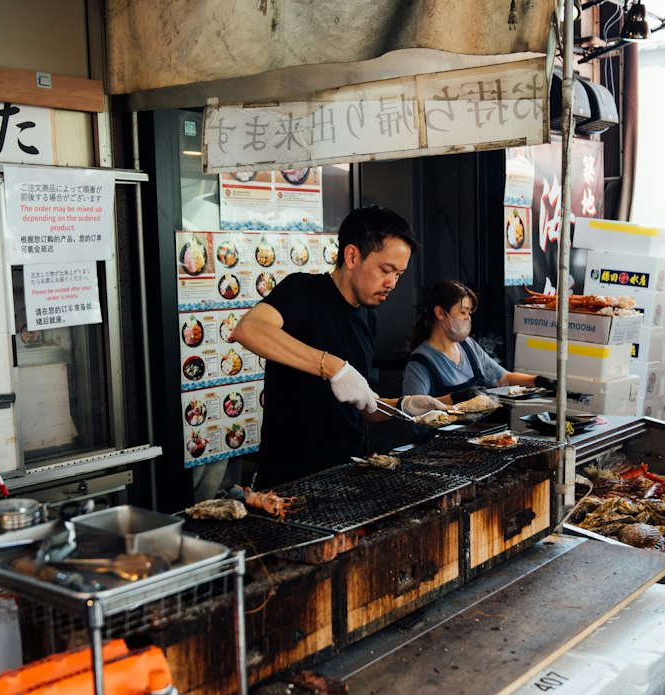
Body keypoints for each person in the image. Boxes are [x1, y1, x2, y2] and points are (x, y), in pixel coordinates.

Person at [232, 205, 419, 485]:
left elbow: (361, 405)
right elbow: (249, 329)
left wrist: (405, 406)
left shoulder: (369, 318)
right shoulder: (304, 292)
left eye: (399, 274)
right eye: (386, 270)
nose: (392, 283)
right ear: (352, 256)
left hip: (347, 476)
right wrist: (332, 366)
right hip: (291, 479)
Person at [401, 281, 543, 402]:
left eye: (469, 313)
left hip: (481, 432)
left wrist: (537, 381)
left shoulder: (468, 345)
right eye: (463, 312)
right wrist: (454, 399)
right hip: (439, 435)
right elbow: (414, 410)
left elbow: (503, 378)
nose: (467, 319)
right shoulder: (419, 363)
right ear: (440, 313)